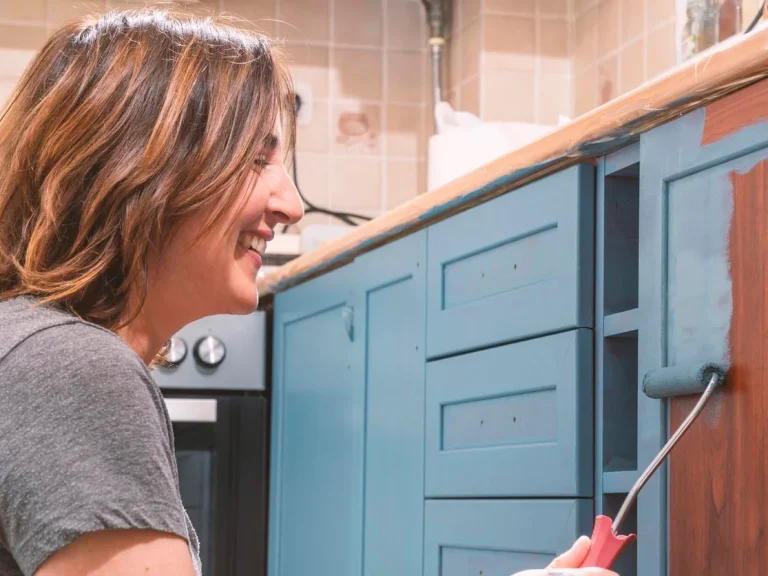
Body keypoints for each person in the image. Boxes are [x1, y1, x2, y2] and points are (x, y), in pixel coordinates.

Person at [0, 7, 617, 576]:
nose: (291, 205)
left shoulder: (34, 349)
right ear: (134, 165)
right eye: (253, 160)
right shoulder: (72, 371)